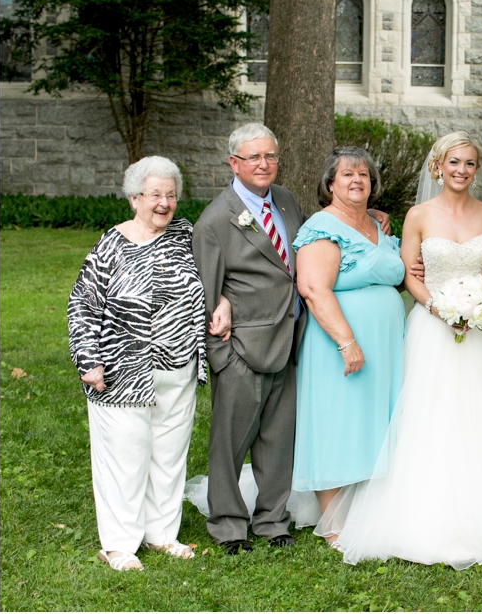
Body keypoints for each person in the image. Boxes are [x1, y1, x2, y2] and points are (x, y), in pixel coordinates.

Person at [328, 133, 482, 569]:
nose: (461, 170)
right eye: (453, 162)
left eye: (469, 164)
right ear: (438, 167)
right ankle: (423, 514)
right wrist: (439, 308)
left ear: (476, 170)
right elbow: (408, 273)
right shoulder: (418, 215)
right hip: (432, 327)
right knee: (431, 415)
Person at [191, 122, 390, 553]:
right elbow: (206, 293)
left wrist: (367, 218)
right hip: (241, 347)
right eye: (253, 157)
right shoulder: (214, 219)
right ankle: (228, 525)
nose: (264, 165)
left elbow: (316, 245)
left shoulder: (284, 201)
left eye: (270, 156)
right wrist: (220, 351)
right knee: (231, 441)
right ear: (234, 163)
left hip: (293, 338)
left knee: (279, 440)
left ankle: (272, 520)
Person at [67, 157, 212, 571]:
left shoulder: (185, 236)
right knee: (124, 458)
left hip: (179, 366)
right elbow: (81, 305)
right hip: (121, 372)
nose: (164, 203)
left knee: (168, 456)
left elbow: (216, 270)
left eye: (171, 195)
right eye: (155, 195)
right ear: (134, 199)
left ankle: (162, 534)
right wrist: (89, 360)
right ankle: (118, 545)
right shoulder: (111, 244)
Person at [291, 148, 405, 529]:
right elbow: (312, 288)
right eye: (347, 175)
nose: (357, 181)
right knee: (336, 421)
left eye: (364, 176)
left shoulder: (378, 226)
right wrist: (346, 341)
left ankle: (369, 508)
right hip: (339, 345)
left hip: (385, 345)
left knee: (371, 421)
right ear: (330, 184)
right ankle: (334, 524)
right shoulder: (321, 227)